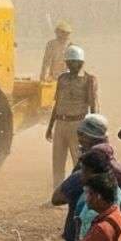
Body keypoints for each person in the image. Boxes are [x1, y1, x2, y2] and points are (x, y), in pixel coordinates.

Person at [45, 45, 99, 188]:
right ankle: (57, 194)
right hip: (60, 123)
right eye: (68, 63)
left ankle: (82, 195)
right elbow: (57, 104)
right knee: (57, 162)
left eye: (73, 62)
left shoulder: (89, 80)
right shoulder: (62, 78)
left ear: (81, 63)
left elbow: (93, 106)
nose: (70, 66)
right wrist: (50, 127)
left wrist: (94, 130)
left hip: (78, 123)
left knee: (79, 161)